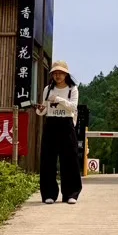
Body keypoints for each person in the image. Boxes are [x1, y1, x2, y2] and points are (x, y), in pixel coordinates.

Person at [37, 61, 82, 204]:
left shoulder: (72, 89)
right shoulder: (47, 89)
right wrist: (39, 110)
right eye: (55, 73)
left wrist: (58, 99)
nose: (58, 76)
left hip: (66, 124)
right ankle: (49, 194)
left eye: (61, 73)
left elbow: (73, 108)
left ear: (66, 74)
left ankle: (71, 194)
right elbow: (44, 109)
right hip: (51, 123)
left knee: (69, 159)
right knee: (48, 159)